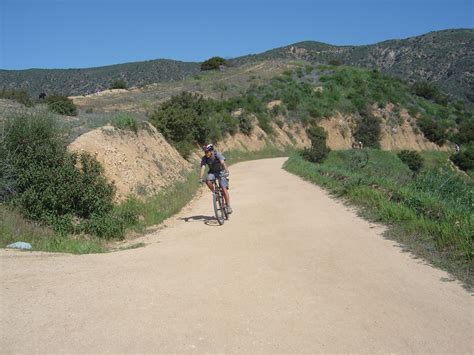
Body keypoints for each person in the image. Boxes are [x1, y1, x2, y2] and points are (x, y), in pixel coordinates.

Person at [199, 144, 232, 214]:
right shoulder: (204, 158)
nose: (206, 153)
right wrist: (200, 178)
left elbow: (222, 162)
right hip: (212, 173)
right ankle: (215, 193)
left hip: (221, 172)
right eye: (205, 152)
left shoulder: (217, 154)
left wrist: (226, 171)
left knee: (223, 188)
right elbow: (203, 167)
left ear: (211, 151)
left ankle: (228, 206)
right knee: (207, 180)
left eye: (207, 152)